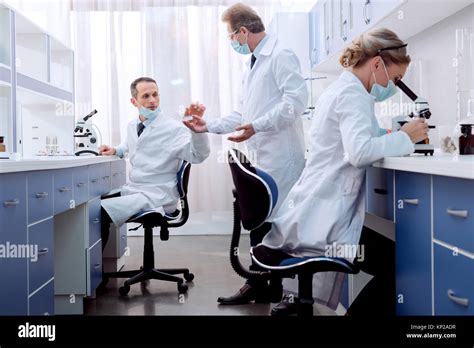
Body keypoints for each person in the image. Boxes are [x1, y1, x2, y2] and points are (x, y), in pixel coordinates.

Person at [251, 28, 429, 316]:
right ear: (376, 64)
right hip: (323, 222)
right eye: (395, 79)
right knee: (403, 262)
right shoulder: (353, 95)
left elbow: (359, 137)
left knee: (395, 258)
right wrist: (406, 138)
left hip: (314, 210)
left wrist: (394, 134)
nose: (395, 87)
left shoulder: (342, 89)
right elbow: (358, 151)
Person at [183, 3, 308, 305]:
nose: (232, 42)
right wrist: (207, 125)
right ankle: (262, 284)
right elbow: (243, 113)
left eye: (231, 36)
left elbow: (297, 102)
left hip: (281, 157)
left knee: (274, 224)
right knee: (261, 221)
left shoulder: (280, 55)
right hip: (263, 154)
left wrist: (257, 126)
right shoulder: (254, 63)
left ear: (242, 31)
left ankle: (271, 287)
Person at [98, 77, 210, 248]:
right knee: (93, 205)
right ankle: (96, 269)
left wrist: (197, 132)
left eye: (155, 95)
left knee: (99, 212)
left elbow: (198, 155)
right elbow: (130, 144)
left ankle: (95, 272)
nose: (152, 101)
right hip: (136, 189)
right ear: (134, 101)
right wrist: (116, 150)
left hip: (158, 194)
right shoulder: (133, 125)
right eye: (146, 96)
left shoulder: (173, 128)